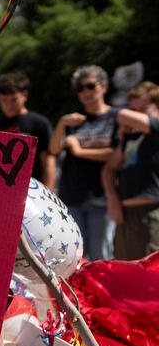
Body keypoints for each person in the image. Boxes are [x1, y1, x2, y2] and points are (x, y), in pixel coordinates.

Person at [50, 65, 118, 260]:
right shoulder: (73, 120)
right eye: (81, 88)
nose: (86, 92)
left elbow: (115, 154)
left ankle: (101, 292)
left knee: (100, 256)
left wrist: (80, 151)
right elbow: (54, 150)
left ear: (104, 87)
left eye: (90, 86)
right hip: (72, 197)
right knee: (73, 257)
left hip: (102, 198)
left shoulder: (116, 117)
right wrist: (62, 123)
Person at [102, 81, 159, 259]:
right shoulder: (130, 137)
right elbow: (109, 169)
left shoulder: (156, 127)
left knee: (151, 272)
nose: (137, 114)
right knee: (125, 268)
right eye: (134, 109)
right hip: (125, 214)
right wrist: (112, 199)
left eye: (144, 108)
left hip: (152, 211)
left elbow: (122, 114)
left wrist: (102, 108)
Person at [0, 73, 55, 188]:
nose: (9, 105)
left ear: (24, 95)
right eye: (4, 100)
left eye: (14, 99)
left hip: (33, 191)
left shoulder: (40, 123)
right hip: (1, 190)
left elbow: (48, 161)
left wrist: (48, 191)